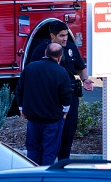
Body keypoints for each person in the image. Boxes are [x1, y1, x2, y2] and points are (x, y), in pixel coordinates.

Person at [30, 20, 94, 160]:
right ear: (52, 36)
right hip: (49, 99)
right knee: (49, 133)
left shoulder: (71, 48)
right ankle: (45, 165)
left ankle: (63, 163)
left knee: (68, 131)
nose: (65, 38)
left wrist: (85, 80)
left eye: (66, 35)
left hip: (70, 96)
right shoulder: (41, 50)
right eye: (61, 35)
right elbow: (31, 72)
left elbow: (81, 67)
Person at [16, 42, 73, 165]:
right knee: (49, 152)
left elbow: (20, 89)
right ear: (59, 57)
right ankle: (45, 177)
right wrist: (65, 111)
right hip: (52, 120)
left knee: (33, 150)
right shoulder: (61, 72)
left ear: (45, 53)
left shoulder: (30, 68)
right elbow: (67, 95)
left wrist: (22, 108)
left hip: (33, 119)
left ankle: (33, 176)